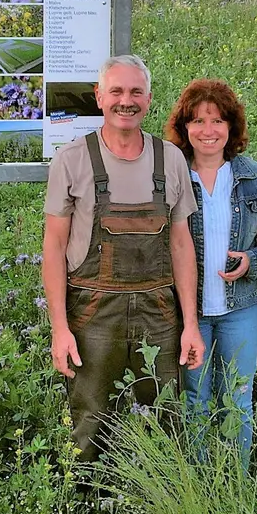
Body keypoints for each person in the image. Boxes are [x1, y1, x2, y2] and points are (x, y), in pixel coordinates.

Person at [43, 54, 205, 463]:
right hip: (93, 312)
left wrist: (190, 324)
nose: (125, 101)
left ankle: (159, 511)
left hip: (159, 310)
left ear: (149, 99)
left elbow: (182, 245)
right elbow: (53, 248)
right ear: (99, 97)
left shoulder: (170, 159)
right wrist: (59, 328)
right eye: (116, 91)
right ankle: (85, 510)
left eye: (135, 92)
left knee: (166, 419)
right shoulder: (72, 159)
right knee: (90, 419)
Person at [163, 79, 257, 471]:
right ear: (184, 128)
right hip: (189, 311)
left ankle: (235, 483)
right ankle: (199, 486)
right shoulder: (171, 176)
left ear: (231, 126)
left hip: (242, 309)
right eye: (197, 121)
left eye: (216, 120)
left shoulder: (253, 177)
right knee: (195, 397)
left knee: (238, 396)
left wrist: (253, 260)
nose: (207, 130)